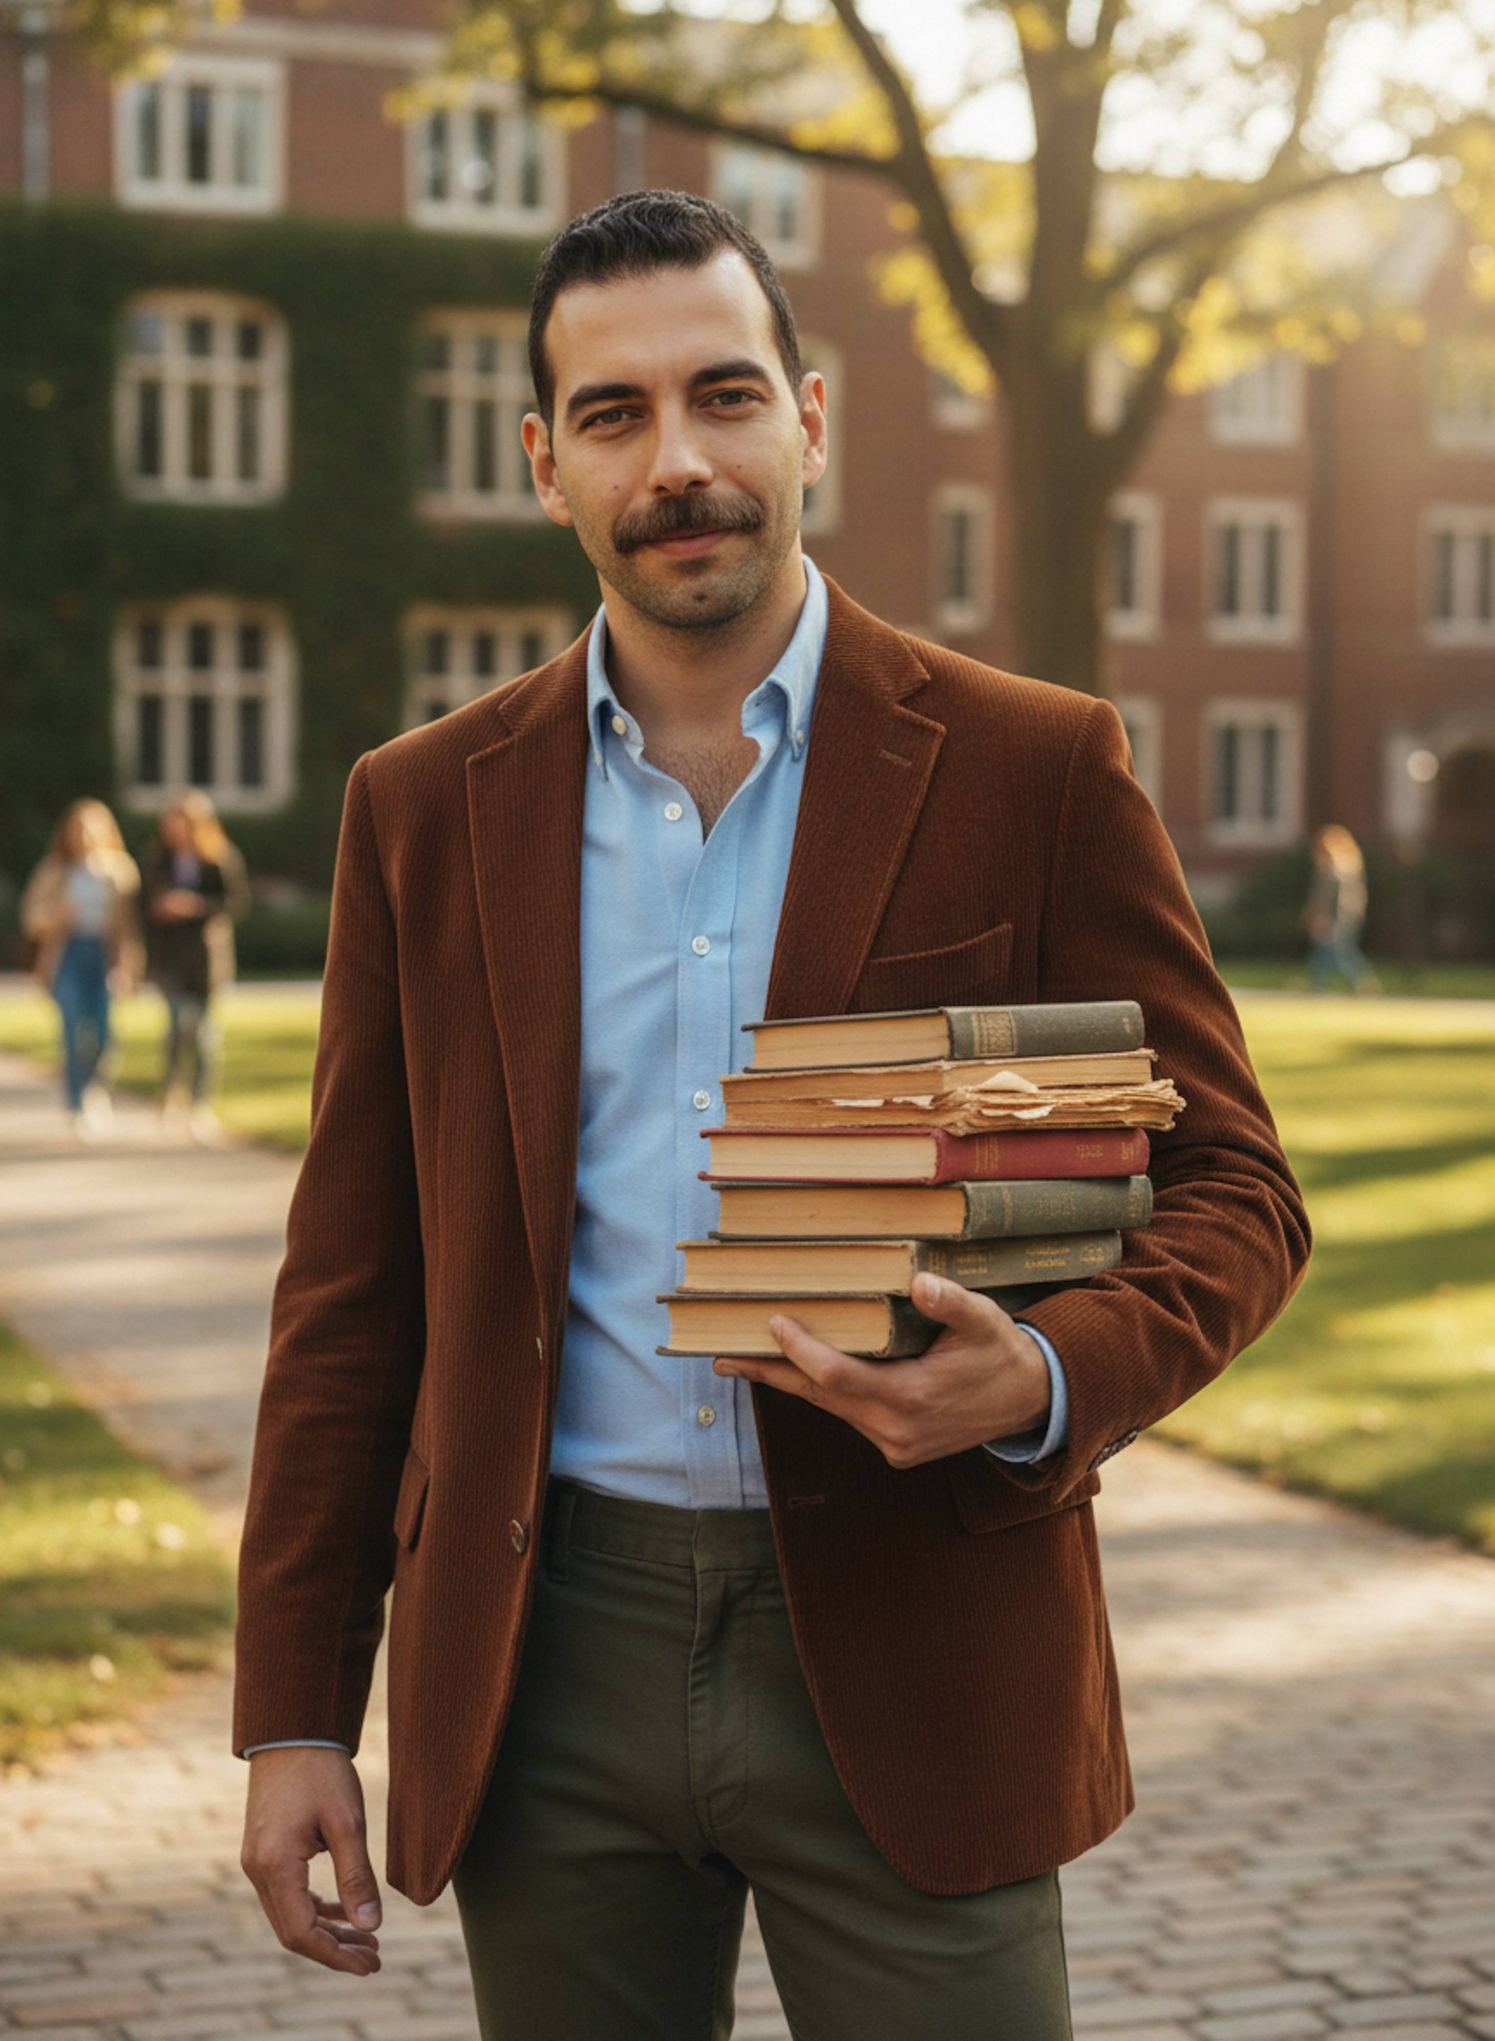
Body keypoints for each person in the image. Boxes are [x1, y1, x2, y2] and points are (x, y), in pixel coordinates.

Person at [235, 192, 1310, 2040]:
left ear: (813, 416)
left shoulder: (1036, 766)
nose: (681, 462)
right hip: (545, 1653)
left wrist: (1041, 1376)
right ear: (545, 464)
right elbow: (352, 1289)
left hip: (924, 1636)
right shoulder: (419, 810)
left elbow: (1236, 1184)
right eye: (616, 415)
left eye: (725, 397)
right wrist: (294, 1709)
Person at [19, 798, 142, 1138]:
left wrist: (128, 967)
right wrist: (55, 918)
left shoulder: (119, 871)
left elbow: (127, 928)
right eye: (78, 830)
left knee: (104, 1033)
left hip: (103, 954)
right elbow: (32, 919)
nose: (84, 837)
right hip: (68, 955)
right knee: (73, 1030)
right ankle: (76, 1104)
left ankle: (93, 1088)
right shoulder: (55, 870)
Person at [142, 790, 249, 1143]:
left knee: (204, 1035)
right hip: (170, 958)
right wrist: (162, 909)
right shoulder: (158, 859)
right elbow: (141, 906)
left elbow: (234, 904)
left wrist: (195, 907)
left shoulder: (219, 858)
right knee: (175, 1031)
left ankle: (200, 1104)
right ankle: (170, 1097)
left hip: (205, 959)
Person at [1304, 824, 1377, 993]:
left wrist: (1329, 919)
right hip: (1340, 918)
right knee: (1325, 952)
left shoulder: (1337, 869)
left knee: (1339, 952)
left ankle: (1360, 981)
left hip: (1337, 919)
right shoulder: (1340, 866)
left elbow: (1334, 898)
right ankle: (1318, 984)